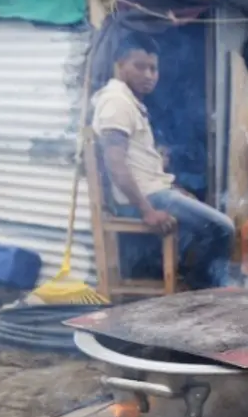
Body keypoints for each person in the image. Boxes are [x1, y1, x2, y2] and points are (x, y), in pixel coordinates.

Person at [91, 33, 235, 289]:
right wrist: (147, 210)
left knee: (199, 216)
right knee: (223, 229)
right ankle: (202, 294)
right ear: (119, 65)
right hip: (144, 199)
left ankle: (186, 282)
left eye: (153, 68)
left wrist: (174, 189)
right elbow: (116, 165)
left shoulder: (130, 102)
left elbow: (137, 163)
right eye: (139, 67)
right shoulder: (116, 101)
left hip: (155, 192)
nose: (148, 75)